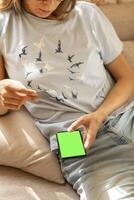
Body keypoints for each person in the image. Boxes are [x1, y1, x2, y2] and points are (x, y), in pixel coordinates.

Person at [0, 0, 134, 199]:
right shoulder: (3, 23)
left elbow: (127, 78)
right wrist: (2, 96)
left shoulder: (87, 14)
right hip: (75, 141)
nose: (49, 2)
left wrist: (100, 114)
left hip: (126, 116)